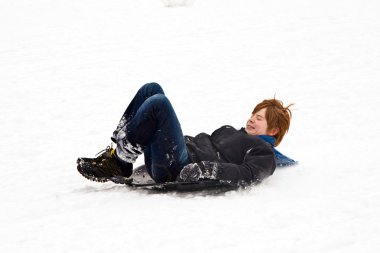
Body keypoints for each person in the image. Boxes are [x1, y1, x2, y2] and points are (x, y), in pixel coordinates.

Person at [77, 82, 295, 186]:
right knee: (151, 90)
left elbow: (248, 174)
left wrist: (206, 169)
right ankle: (118, 153)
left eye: (259, 118)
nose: (251, 119)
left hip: (180, 166)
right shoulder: (232, 132)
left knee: (158, 104)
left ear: (273, 130)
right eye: (253, 114)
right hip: (173, 154)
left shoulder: (263, 152)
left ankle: (122, 161)